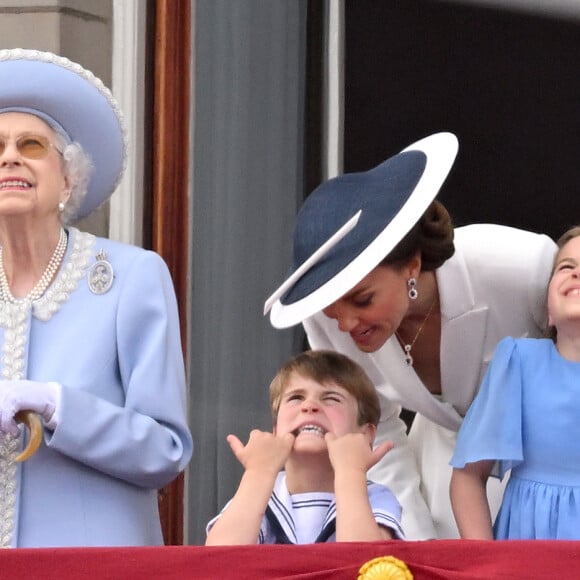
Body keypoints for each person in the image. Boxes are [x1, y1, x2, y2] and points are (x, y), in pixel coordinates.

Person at [263, 132, 557, 540]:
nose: (345, 323)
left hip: (557, 477)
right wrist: (412, 545)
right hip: (442, 479)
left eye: (362, 299)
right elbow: (374, 429)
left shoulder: (522, 267)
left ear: (412, 265)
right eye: (333, 308)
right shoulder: (325, 319)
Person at [0, 48, 193, 548]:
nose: (10, 157)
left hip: (93, 565)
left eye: (31, 144)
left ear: (69, 178)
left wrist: (60, 406)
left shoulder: (131, 277)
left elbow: (166, 451)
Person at [450, 226, 580, 540]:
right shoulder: (518, 362)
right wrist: (488, 567)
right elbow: (467, 477)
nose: (577, 275)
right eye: (567, 267)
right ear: (547, 309)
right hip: (528, 553)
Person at [205, 349, 405, 544]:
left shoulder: (375, 498)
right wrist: (258, 472)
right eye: (296, 398)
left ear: (364, 434)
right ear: (276, 430)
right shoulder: (261, 494)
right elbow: (217, 563)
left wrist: (351, 472)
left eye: (331, 398)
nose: (309, 406)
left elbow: (365, 567)